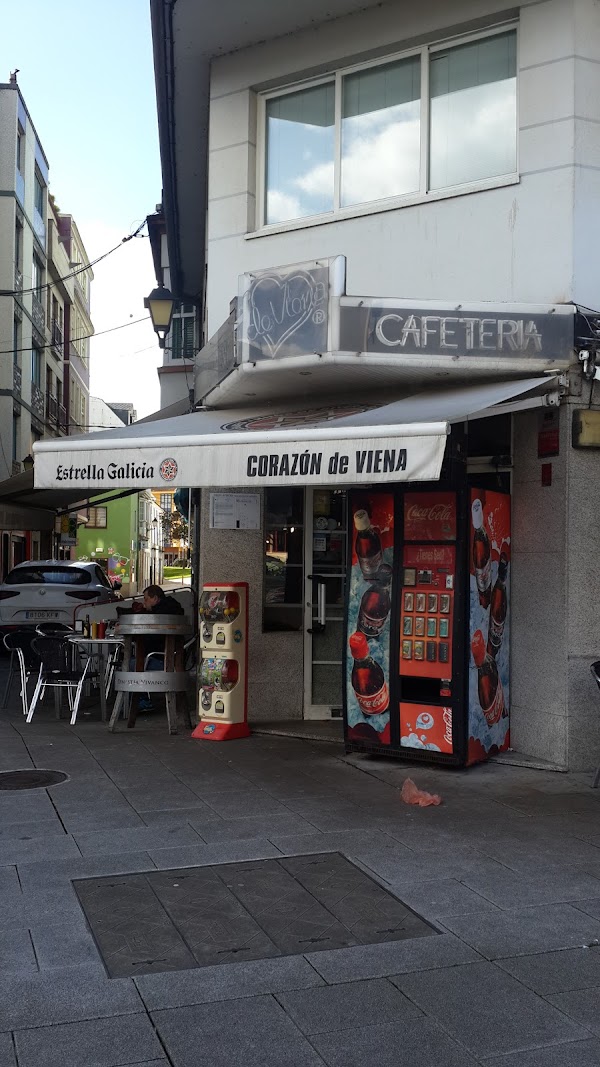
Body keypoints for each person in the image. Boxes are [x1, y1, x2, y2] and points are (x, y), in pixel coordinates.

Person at [127, 585, 185, 711]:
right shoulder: (174, 611)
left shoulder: (157, 617)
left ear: (155, 598)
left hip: (161, 659)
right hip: (176, 660)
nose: (144, 602)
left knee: (130, 664)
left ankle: (140, 701)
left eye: (146, 599)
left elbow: (150, 639)